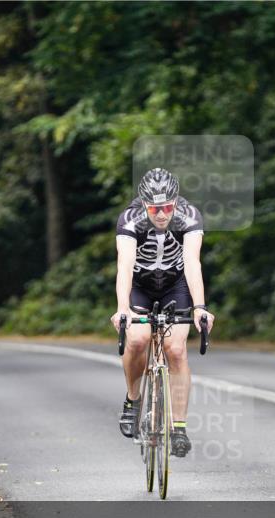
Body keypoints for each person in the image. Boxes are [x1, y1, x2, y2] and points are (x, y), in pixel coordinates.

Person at [110, 168, 215, 457]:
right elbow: (125, 266)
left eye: (167, 207)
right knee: (138, 339)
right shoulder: (130, 219)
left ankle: (178, 427)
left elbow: (193, 263)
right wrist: (122, 309)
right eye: (154, 208)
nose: (161, 214)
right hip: (141, 285)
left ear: (175, 201)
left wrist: (200, 307)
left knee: (176, 349)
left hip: (175, 285)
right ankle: (133, 400)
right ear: (144, 204)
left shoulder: (189, 215)